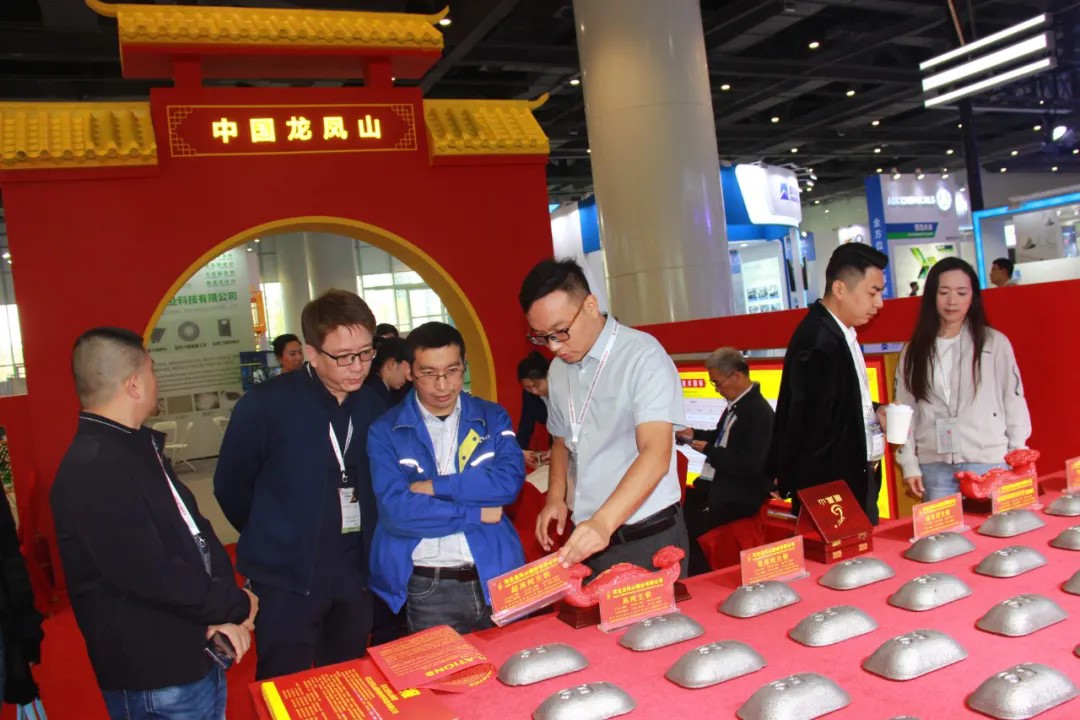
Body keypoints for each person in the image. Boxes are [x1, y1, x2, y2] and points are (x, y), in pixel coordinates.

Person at [53, 327, 255, 719]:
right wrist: (233, 604)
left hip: (191, 647)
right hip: (155, 674)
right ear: (133, 385)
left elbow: (191, 533)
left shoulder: (134, 448)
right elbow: (150, 573)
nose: (155, 381)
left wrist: (217, 613)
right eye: (152, 371)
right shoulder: (94, 468)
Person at [215, 290, 383, 680]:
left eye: (366, 353)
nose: (357, 366)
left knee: (345, 679)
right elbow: (231, 486)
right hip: (285, 577)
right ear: (311, 353)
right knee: (283, 682)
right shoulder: (266, 405)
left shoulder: (374, 403)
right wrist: (272, 531)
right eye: (343, 356)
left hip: (354, 571)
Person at [520, 258, 689, 576]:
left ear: (590, 305)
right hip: (588, 537)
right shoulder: (558, 371)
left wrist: (603, 522)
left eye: (560, 331)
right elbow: (561, 440)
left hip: (646, 537)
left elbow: (656, 453)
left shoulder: (642, 356)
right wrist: (556, 496)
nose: (553, 346)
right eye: (541, 337)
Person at [368, 322, 525, 634]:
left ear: (464, 366)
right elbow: (398, 512)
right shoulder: (385, 431)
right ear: (409, 371)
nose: (442, 385)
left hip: (496, 574)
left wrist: (434, 487)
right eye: (428, 373)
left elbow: (508, 483)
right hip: (429, 584)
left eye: (452, 371)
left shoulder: (492, 418)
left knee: (510, 662)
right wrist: (477, 513)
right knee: (440, 667)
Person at [770, 243, 889, 524]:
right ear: (840, 289)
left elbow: (835, 402)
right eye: (873, 292)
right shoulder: (818, 341)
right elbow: (806, 427)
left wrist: (875, 410)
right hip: (832, 493)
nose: (879, 303)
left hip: (850, 483)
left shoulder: (838, 332)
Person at [894, 258, 1031, 501]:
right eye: (944, 292)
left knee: (994, 526)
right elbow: (905, 410)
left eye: (961, 292)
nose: (952, 301)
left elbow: (1014, 400)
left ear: (973, 297)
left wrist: (1018, 452)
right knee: (944, 527)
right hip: (934, 468)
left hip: (988, 463)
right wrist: (909, 464)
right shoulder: (913, 350)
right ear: (932, 296)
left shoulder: (994, 343)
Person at [677, 348, 774, 574]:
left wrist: (709, 450)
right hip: (716, 489)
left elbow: (748, 464)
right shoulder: (737, 405)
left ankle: (700, 581)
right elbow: (722, 438)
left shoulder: (758, 413)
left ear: (736, 375)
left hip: (737, 498)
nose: (718, 389)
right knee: (675, 515)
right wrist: (693, 434)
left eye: (717, 383)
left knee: (685, 530)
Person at [516, 351, 550, 466]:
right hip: (555, 439)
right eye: (528, 387)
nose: (534, 391)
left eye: (536, 385)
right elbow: (525, 425)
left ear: (548, 376)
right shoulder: (529, 396)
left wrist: (560, 450)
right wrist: (521, 451)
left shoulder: (563, 391)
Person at [365, 336, 411, 408]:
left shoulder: (378, 386)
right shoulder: (374, 394)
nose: (408, 377)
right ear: (392, 364)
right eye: (407, 368)